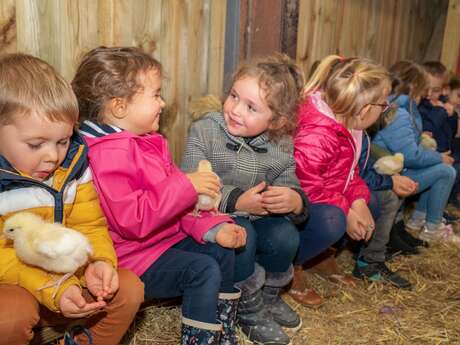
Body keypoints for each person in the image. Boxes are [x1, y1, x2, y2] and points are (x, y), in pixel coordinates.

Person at [72, 46, 246, 345]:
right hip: (133, 258)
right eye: (155, 95)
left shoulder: (148, 142)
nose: (163, 103)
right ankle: (200, 339)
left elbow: (177, 208)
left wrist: (211, 229)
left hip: (162, 243)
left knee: (221, 250)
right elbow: (133, 220)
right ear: (119, 107)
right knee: (201, 269)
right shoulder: (107, 154)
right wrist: (186, 186)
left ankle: (222, 329)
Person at [0, 53, 144, 345]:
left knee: (128, 288)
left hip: (66, 276)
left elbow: (90, 225)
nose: (52, 155)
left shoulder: (73, 169)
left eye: (63, 141)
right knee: (8, 317)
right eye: (36, 144)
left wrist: (98, 261)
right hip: (15, 282)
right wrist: (51, 288)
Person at [182, 54, 308, 345]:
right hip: (214, 217)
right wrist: (236, 202)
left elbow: (292, 183)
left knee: (286, 236)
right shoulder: (205, 131)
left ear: (275, 120)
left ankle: (268, 296)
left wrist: (293, 200)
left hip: (259, 215)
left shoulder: (281, 145)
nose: (235, 110)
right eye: (234, 96)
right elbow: (192, 184)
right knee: (243, 234)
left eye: (251, 107)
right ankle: (246, 307)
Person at [293, 56, 388, 299]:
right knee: (333, 220)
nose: (384, 109)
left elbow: (347, 174)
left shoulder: (349, 124)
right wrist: (346, 211)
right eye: (383, 105)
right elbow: (306, 186)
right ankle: (290, 266)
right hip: (297, 204)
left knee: (371, 202)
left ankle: (322, 256)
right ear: (366, 109)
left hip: (324, 195)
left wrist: (357, 202)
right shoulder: (318, 134)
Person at [373, 60, 460, 243]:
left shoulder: (400, 107)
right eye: (423, 89)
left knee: (438, 166)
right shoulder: (399, 113)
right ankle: (431, 228)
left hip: (399, 168)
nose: (426, 94)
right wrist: (439, 157)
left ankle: (418, 220)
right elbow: (411, 156)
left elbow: (407, 146)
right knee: (446, 171)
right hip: (396, 172)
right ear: (413, 87)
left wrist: (424, 143)